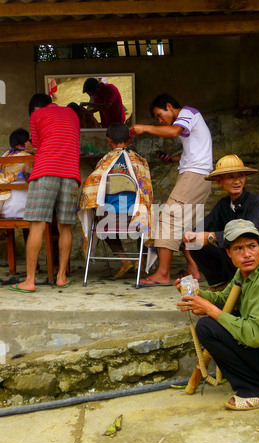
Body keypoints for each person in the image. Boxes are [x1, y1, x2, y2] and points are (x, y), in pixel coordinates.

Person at [177, 219, 259, 411]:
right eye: (238, 248)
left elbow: (254, 336)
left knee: (208, 327)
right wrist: (197, 296)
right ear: (228, 253)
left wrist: (210, 309)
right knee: (215, 321)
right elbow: (224, 299)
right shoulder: (244, 272)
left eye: (252, 246)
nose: (247, 254)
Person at [130, 93, 212, 286]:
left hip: (194, 176)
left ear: (169, 106)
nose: (160, 120)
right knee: (184, 227)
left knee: (168, 218)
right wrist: (173, 159)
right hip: (198, 176)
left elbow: (174, 131)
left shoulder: (188, 112)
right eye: (157, 119)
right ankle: (193, 268)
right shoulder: (190, 119)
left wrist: (145, 128)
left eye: (160, 115)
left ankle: (163, 274)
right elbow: (194, 151)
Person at [9, 93, 81, 293]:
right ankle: (61, 277)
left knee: (37, 225)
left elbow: (39, 147)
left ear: (35, 109)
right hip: (71, 173)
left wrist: (33, 148)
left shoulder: (36, 116)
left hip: (45, 171)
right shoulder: (72, 114)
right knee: (65, 227)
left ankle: (29, 281)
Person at [183, 154, 259, 289]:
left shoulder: (257, 202)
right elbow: (203, 227)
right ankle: (223, 283)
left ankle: (239, 285)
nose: (237, 181)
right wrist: (191, 234)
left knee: (237, 243)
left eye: (240, 176)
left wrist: (211, 236)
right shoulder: (224, 205)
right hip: (237, 262)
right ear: (219, 182)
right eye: (230, 177)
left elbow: (249, 234)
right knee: (195, 244)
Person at [77, 122, 153, 279]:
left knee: (98, 216)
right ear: (129, 139)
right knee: (146, 214)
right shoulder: (141, 162)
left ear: (108, 139)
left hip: (109, 221)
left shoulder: (104, 163)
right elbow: (147, 194)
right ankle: (141, 260)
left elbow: (89, 189)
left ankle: (124, 260)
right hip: (136, 220)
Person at [0, 128, 34, 219]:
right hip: (31, 209)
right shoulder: (32, 155)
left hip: (6, 211)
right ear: (27, 142)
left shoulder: (6, 156)